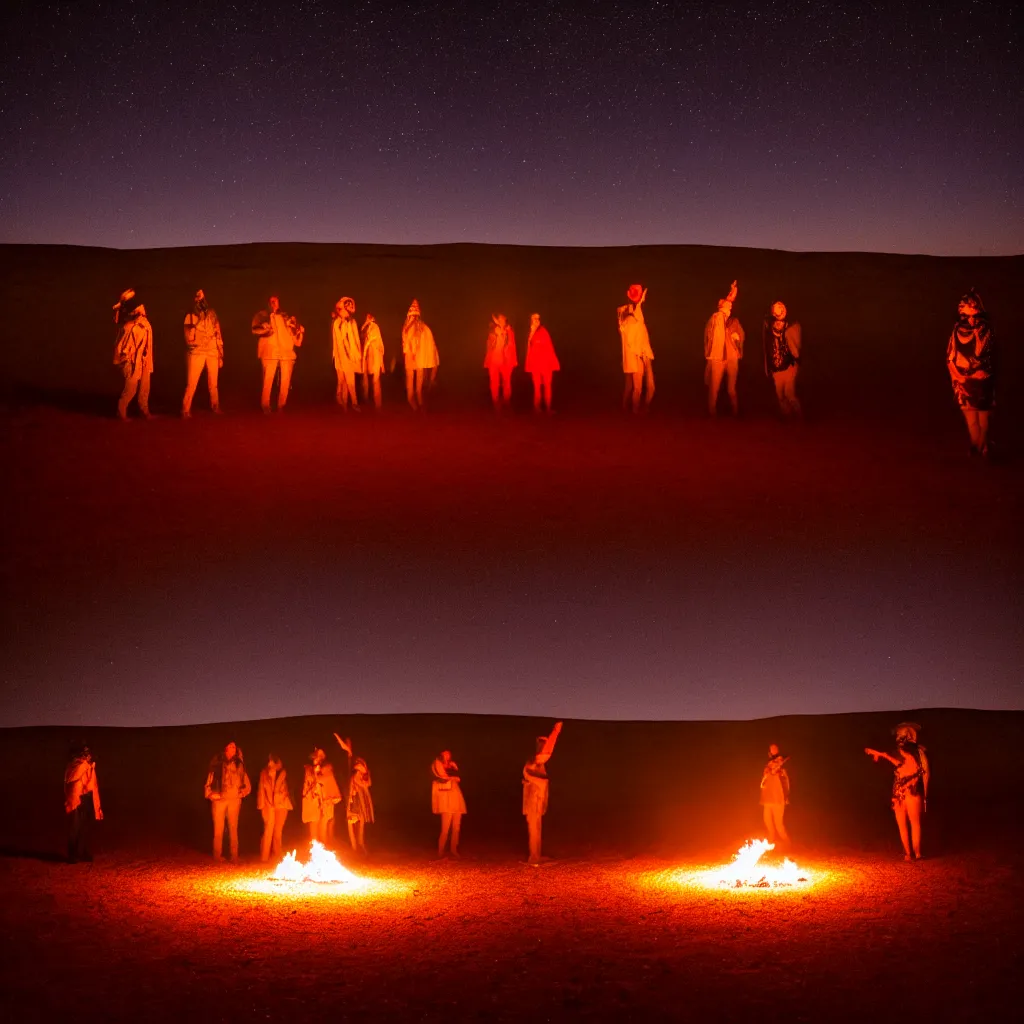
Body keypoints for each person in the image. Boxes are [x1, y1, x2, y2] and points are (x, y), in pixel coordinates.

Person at [865, 722, 930, 861]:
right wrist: (926, 795)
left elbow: (889, 768)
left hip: (898, 792)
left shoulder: (896, 752)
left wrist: (878, 755)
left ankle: (908, 854)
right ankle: (917, 853)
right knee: (915, 823)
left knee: (902, 824)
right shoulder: (919, 752)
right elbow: (926, 774)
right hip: (912, 791)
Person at [947, 289, 997, 457]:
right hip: (963, 385)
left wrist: (977, 334)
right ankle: (977, 445)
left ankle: (983, 446)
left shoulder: (985, 332)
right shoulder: (956, 332)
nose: (971, 320)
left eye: (975, 316)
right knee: (971, 419)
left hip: (982, 383)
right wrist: (959, 377)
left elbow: (982, 355)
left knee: (984, 418)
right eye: (967, 317)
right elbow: (950, 358)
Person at [251, 296, 304, 413]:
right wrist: (266, 328)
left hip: (286, 352)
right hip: (270, 351)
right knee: (268, 379)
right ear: (268, 302)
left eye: (276, 300)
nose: (274, 303)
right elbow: (254, 329)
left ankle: (282, 405)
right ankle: (265, 405)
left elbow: (293, 334)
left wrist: (298, 332)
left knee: (286, 380)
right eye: (271, 300)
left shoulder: (285, 317)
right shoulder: (262, 315)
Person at [523, 721, 563, 866]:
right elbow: (529, 775)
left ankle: (536, 856)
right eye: (542, 743)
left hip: (538, 802)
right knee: (534, 830)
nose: (544, 746)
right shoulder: (531, 762)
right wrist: (555, 732)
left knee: (537, 830)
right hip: (532, 802)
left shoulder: (539, 765)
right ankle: (533, 858)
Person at [204, 741, 252, 862]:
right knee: (218, 829)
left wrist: (243, 793)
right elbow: (209, 779)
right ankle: (217, 856)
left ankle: (234, 856)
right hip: (219, 799)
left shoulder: (239, 764)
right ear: (225, 748)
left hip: (234, 800)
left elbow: (246, 782)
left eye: (234, 746)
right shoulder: (217, 762)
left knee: (233, 828)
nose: (233, 748)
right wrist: (209, 794)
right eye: (230, 746)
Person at [704, 280, 745, 416]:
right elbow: (708, 338)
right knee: (714, 387)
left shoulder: (734, 321)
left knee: (731, 389)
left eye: (730, 306)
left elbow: (742, 335)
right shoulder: (715, 319)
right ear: (720, 307)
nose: (729, 307)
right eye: (726, 305)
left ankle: (736, 412)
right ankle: (712, 413)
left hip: (732, 358)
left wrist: (737, 338)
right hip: (717, 358)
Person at [112, 289, 154, 420]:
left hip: (144, 360)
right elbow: (122, 348)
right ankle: (121, 412)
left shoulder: (144, 323)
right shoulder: (129, 327)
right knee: (131, 389)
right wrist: (128, 361)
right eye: (141, 306)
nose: (144, 308)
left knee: (145, 388)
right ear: (136, 309)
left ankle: (144, 411)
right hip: (131, 361)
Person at [182, 288, 224, 417]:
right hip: (197, 352)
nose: (201, 300)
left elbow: (218, 333)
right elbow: (188, 336)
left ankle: (215, 406)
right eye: (198, 297)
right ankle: (185, 409)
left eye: (202, 297)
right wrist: (193, 346)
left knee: (213, 383)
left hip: (212, 351)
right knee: (192, 382)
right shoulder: (190, 315)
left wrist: (220, 353)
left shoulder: (212, 314)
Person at [618, 284, 655, 413]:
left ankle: (640, 409)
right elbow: (630, 339)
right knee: (636, 387)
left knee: (646, 386)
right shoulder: (629, 318)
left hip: (643, 353)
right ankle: (635, 410)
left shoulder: (635, 316)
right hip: (637, 355)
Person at [763, 301, 802, 418]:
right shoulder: (769, 327)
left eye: (780, 308)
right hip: (776, 367)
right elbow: (767, 347)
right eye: (775, 308)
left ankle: (799, 415)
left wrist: (796, 358)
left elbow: (796, 346)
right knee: (780, 395)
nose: (777, 310)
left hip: (790, 365)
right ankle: (787, 415)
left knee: (789, 394)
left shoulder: (792, 326)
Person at [64, 743, 103, 863]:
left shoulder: (89, 765)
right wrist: (85, 764)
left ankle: (82, 852)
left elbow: (92, 783)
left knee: (84, 827)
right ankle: (72, 855)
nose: (88, 756)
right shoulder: (75, 765)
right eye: (85, 753)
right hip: (76, 799)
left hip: (86, 797)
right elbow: (71, 778)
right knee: (75, 827)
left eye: (88, 753)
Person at [401, 299, 439, 411]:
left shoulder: (422, 328)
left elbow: (429, 343)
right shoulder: (409, 327)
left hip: (417, 358)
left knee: (416, 381)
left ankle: (417, 401)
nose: (412, 318)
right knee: (413, 380)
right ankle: (414, 401)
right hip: (413, 358)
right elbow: (406, 343)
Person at [301, 747, 342, 844]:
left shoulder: (327, 768)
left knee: (324, 822)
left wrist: (328, 799)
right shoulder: (309, 770)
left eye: (320, 756)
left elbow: (328, 782)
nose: (318, 758)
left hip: (326, 800)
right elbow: (309, 785)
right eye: (316, 756)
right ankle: (315, 847)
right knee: (314, 822)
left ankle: (323, 846)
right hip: (313, 800)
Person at [257, 753, 293, 863]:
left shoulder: (284, 773)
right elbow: (261, 790)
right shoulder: (265, 774)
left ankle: (277, 854)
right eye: (270, 761)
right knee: (268, 829)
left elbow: (289, 789)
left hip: (281, 805)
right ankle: (264, 857)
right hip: (269, 805)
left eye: (273, 761)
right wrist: (262, 804)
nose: (271, 763)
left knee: (278, 830)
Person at [432, 750, 467, 858]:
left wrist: (454, 768)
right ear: (441, 754)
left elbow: (459, 777)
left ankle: (454, 849)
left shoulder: (451, 764)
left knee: (456, 826)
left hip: (455, 795)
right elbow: (441, 777)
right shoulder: (436, 764)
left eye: (449, 754)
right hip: (445, 797)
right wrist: (452, 777)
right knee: (445, 828)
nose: (448, 755)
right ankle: (441, 851)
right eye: (445, 753)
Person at [524, 312, 560, 414]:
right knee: (537, 387)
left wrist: (552, 363)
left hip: (545, 365)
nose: (536, 321)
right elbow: (529, 350)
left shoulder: (544, 332)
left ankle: (548, 408)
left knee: (547, 386)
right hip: (536, 365)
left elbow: (549, 348)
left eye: (538, 319)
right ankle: (537, 408)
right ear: (530, 321)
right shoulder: (530, 333)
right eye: (534, 319)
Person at [332, 296, 362, 411]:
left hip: (350, 356)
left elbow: (356, 340)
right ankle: (346, 403)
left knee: (349, 380)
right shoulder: (337, 323)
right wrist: (341, 356)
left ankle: (351, 403)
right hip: (341, 356)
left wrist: (356, 354)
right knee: (343, 380)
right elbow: (338, 342)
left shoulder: (352, 322)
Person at [484, 313, 517, 412]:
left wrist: (503, 332)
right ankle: (496, 402)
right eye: (499, 319)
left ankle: (506, 402)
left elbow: (511, 345)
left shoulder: (509, 331)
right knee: (494, 382)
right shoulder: (492, 331)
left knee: (506, 381)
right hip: (494, 360)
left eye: (503, 319)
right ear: (496, 320)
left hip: (506, 361)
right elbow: (489, 345)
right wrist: (496, 334)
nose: (501, 320)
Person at [759, 744, 790, 844]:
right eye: (771, 748)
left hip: (778, 799)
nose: (773, 750)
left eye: (775, 748)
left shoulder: (781, 768)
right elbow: (763, 782)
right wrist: (769, 771)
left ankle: (788, 844)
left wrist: (778, 769)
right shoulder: (767, 767)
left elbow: (786, 782)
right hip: (768, 799)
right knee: (767, 821)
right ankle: (771, 841)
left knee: (778, 824)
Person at [347, 756, 374, 855]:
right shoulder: (355, 777)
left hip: (361, 805)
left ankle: (360, 844)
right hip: (355, 804)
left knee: (361, 824)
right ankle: (355, 847)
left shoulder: (362, 777)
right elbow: (362, 785)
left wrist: (367, 775)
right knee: (353, 824)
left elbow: (368, 784)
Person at [361, 313, 386, 410]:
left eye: (369, 317)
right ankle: (368, 400)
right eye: (367, 317)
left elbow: (372, 340)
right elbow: (363, 335)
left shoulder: (375, 328)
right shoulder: (367, 328)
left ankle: (378, 404)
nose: (368, 318)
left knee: (376, 380)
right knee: (367, 380)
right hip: (369, 357)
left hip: (376, 356)